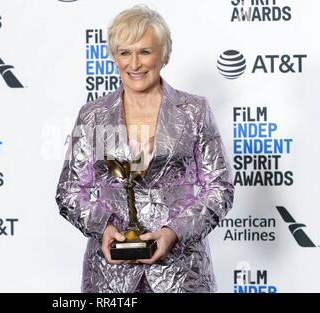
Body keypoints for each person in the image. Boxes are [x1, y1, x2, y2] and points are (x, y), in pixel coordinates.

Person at [55, 4, 234, 293]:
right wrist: (105, 228)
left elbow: (219, 188)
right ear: (114, 56)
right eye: (125, 52)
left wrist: (173, 233)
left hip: (182, 272)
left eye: (145, 52)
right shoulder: (93, 116)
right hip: (110, 276)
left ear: (164, 55)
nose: (134, 64)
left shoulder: (194, 111)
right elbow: (69, 190)